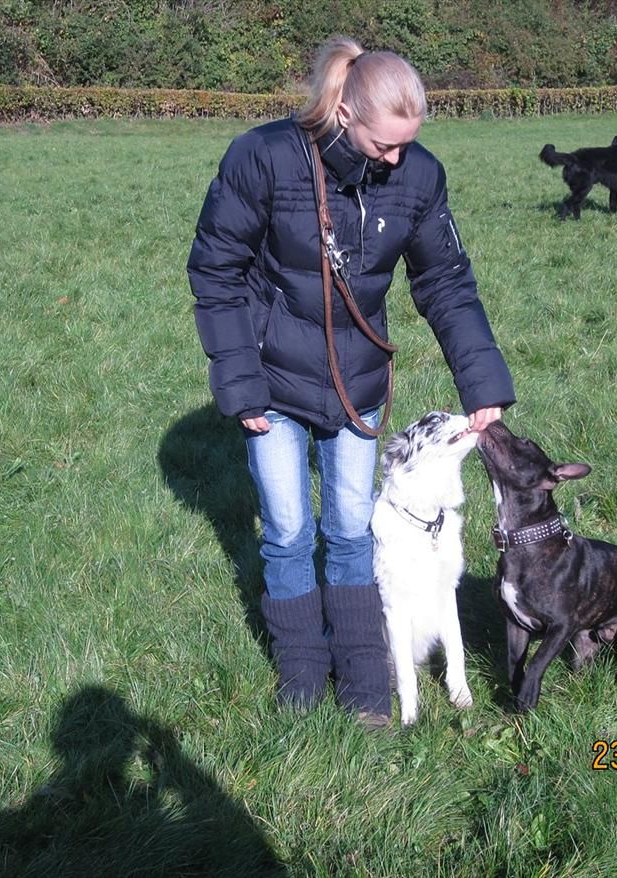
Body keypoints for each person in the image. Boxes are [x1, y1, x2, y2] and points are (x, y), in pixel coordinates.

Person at [187, 37, 515, 727]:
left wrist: (482, 382)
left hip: (355, 381)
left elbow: (445, 282)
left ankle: (366, 676)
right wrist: (240, 382)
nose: (397, 159)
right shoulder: (264, 157)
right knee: (284, 530)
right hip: (271, 380)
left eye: (407, 145)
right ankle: (302, 671)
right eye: (384, 144)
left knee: (348, 529)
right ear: (342, 111)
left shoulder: (418, 177)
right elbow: (216, 271)